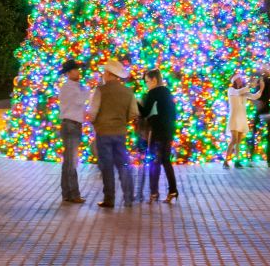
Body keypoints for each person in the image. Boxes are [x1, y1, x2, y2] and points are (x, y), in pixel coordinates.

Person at [86, 60, 137, 209]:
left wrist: (96, 124)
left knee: (106, 166)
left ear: (108, 74)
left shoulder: (100, 90)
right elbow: (134, 113)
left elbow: (92, 113)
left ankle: (109, 199)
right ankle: (128, 197)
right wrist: (122, 121)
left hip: (103, 133)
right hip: (120, 132)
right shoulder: (128, 92)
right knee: (123, 164)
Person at [138, 68, 178, 202]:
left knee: (154, 161)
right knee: (166, 161)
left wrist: (137, 102)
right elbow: (174, 114)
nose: (146, 84)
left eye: (147, 81)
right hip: (169, 130)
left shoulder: (153, 93)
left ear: (154, 80)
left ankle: (154, 192)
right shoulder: (167, 92)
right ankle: (173, 190)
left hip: (157, 131)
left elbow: (144, 112)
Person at [56, 60, 89, 204]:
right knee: (71, 162)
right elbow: (80, 101)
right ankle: (73, 194)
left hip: (73, 125)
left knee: (69, 162)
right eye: (76, 70)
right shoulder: (68, 88)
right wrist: (88, 90)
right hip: (70, 126)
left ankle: (68, 194)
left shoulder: (75, 86)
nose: (79, 72)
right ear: (68, 73)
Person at [223, 74, 255, 167]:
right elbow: (238, 92)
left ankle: (237, 161)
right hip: (234, 118)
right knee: (234, 139)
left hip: (241, 118)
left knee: (238, 141)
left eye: (241, 79)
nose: (241, 81)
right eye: (239, 79)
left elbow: (254, 96)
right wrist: (249, 86)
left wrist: (261, 88)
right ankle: (226, 160)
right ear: (235, 81)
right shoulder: (231, 90)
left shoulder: (243, 92)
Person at [249, 74, 270, 167]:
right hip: (259, 112)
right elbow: (252, 96)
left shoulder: (269, 82)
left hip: (267, 112)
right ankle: (251, 158)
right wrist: (256, 103)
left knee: (269, 136)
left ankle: (269, 160)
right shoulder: (257, 84)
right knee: (254, 134)